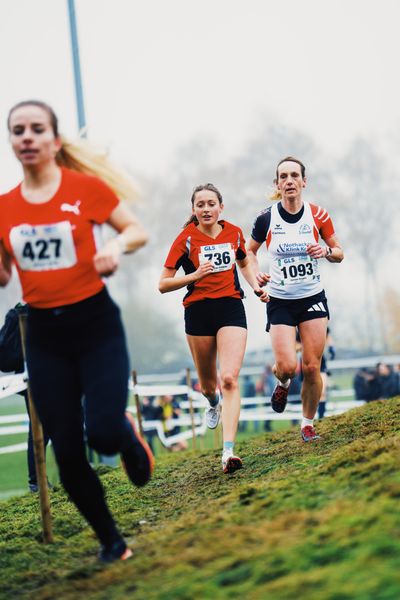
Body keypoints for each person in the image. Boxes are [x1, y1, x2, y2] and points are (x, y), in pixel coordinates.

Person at [0, 100, 154, 562]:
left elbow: (136, 231)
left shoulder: (84, 189)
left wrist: (116, 248)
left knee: (103, 433)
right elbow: (4, 275)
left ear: (55, 141)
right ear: (12, 142)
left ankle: (126, 436)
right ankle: (112, 542)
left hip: (95, 327)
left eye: (36, 129)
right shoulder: (4, 207)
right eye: (18, 131)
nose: (26, 137)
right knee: (67, 456)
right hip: (45, 339)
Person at [158, 183, 268, 473]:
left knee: (229, 378)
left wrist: (256, 286)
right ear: (193, 210)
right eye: (200, 205)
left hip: (231, 308)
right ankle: (212, 401)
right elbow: (162, 284)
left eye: (211, 204)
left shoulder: (234, 233)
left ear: (221, 207)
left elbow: (244, 263)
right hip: (198, 313)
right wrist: (194, 274)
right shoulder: (185, 240)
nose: (206, 209)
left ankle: (228, 452)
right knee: (209, 385)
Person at [247, 156, 343, 442]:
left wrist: (324, 252)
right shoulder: (266, 218)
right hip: (280, 300)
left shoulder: (318, 215)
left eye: (294, 176)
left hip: (312, 297)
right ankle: (282, 382)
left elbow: (339, 251)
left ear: (303, 182)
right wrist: (256, 278)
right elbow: (248, 252)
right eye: (283, 176)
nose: (289, 181)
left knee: (312, 366)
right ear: (277, 183)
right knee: (288, 366)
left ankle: (307, 424)